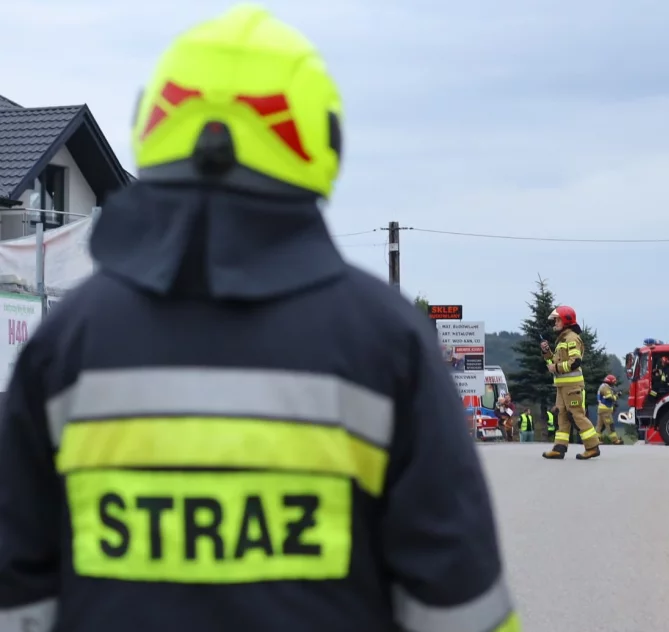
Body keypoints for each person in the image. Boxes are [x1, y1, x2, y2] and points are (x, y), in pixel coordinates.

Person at [0, 6, 521, 632]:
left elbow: (17, 591)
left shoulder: (65, 344)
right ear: (322, 141)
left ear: (152, 124)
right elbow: (460, 607)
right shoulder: (388, 344)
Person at [540, 305, 601, 460]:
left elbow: (575, 362)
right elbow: (553, 362)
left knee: (577, 415)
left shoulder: (572, 338)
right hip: (562, 387)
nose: (555, 323)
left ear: (566, 320)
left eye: (557, 319)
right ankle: (559, 448)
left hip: (572, 386)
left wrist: (556, 367)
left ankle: (592, 447)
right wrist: (546, 352)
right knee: (562, 416)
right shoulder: (562, 340)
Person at [596, 374, 623, 445]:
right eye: (613, 382)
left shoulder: (603, 386)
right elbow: (610, 397)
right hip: (605, 410)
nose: (614, 384)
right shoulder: (605, 387)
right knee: (610, 425)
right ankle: (615, 440)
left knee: (599, 426)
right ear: (610, 382)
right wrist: (617, 396)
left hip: (601, 409)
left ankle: (595, 440)